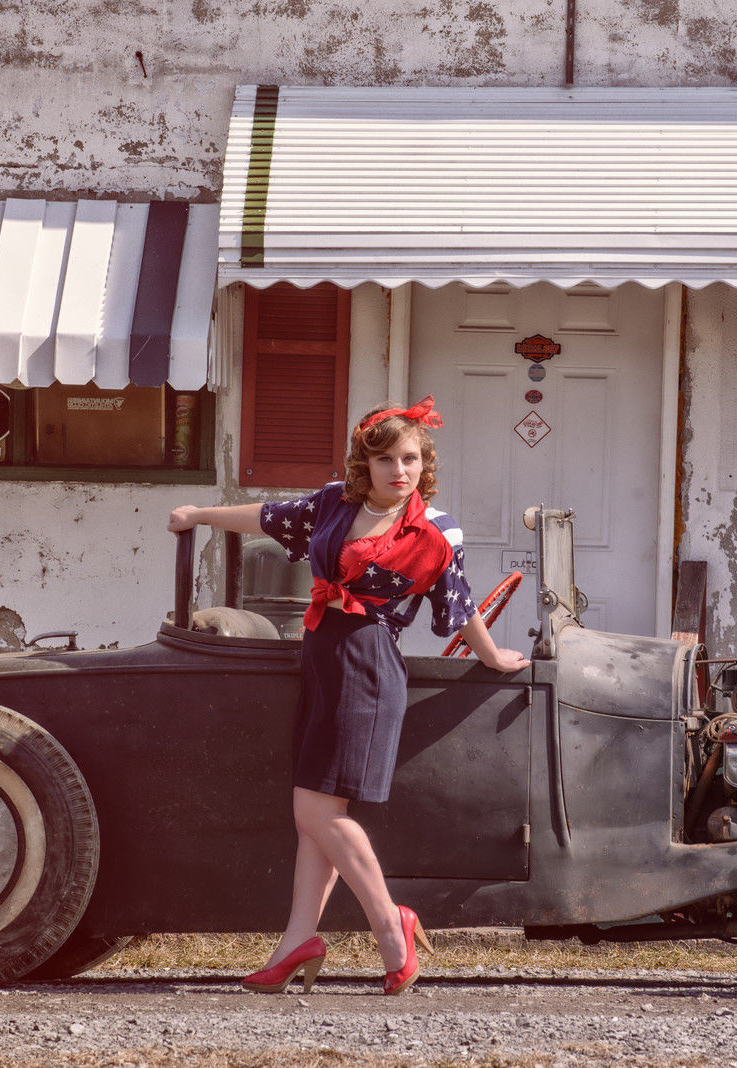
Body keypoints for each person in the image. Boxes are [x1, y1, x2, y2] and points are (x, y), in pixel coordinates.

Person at [165, 396, 530, 996]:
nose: (399, 470)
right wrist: (198, 513)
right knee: (315, 819)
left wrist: (491, 656)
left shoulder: (436, 531)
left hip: (367, 661)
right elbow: (269, 516)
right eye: (385, 458)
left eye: (410, 458)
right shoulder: (336, 502)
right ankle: (297, 942)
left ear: (424, 462)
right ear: (365, 463)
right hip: (320, 655)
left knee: (316, 812)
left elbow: (457, 603)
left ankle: (392, 926)